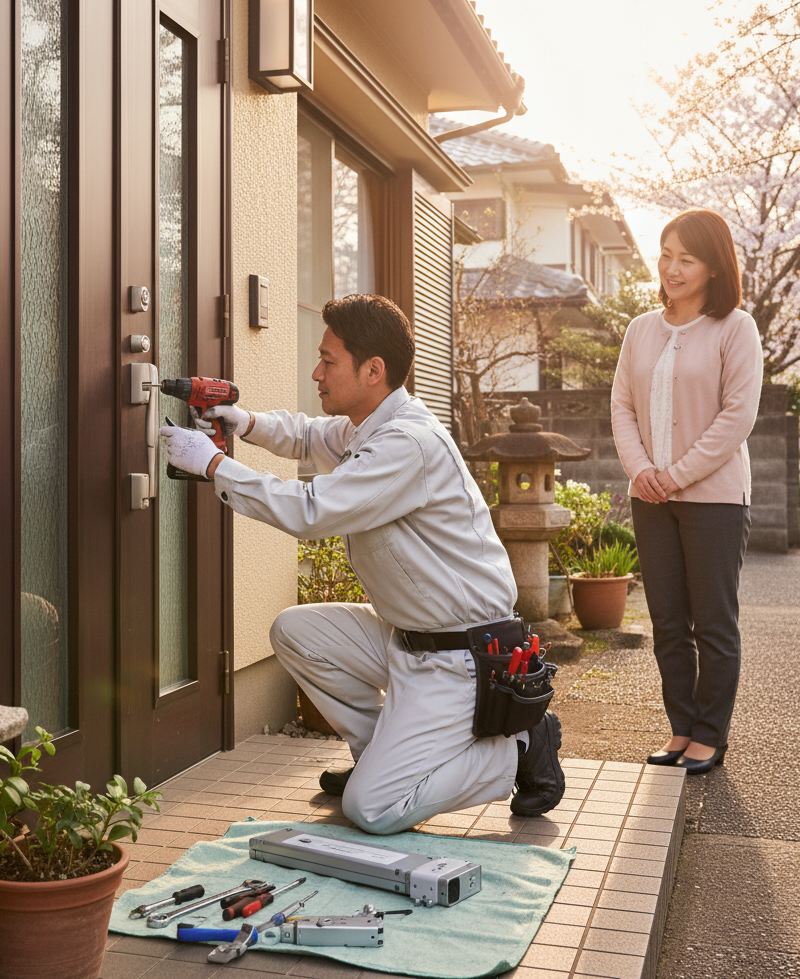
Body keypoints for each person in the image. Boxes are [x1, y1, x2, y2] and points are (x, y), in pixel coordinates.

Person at [159, 294, 564, 833]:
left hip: (462, 659)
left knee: (371, 810)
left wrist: (213, 465)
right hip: (410, 640)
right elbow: (307, 435)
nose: (316, 372)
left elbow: (310, 511)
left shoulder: (405, 444)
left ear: (374, 370)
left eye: (329, 360)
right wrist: (244, 421)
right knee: (295, 630)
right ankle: (376, 760)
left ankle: (519, 747)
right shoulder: (367, 424)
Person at [611, 209, 763, 776]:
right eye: (665, 254)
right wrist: (643, 469)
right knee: (668, 620)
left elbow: (736, 418)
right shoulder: (641, 329)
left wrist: (673, 475)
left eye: (687, 258)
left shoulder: (735, 328)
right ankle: (680, 728)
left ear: (713, 266)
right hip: (649, 496)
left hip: (716, 499)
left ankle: (710, 735)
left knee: (713, 622)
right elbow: (622, 405)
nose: (671, 268)